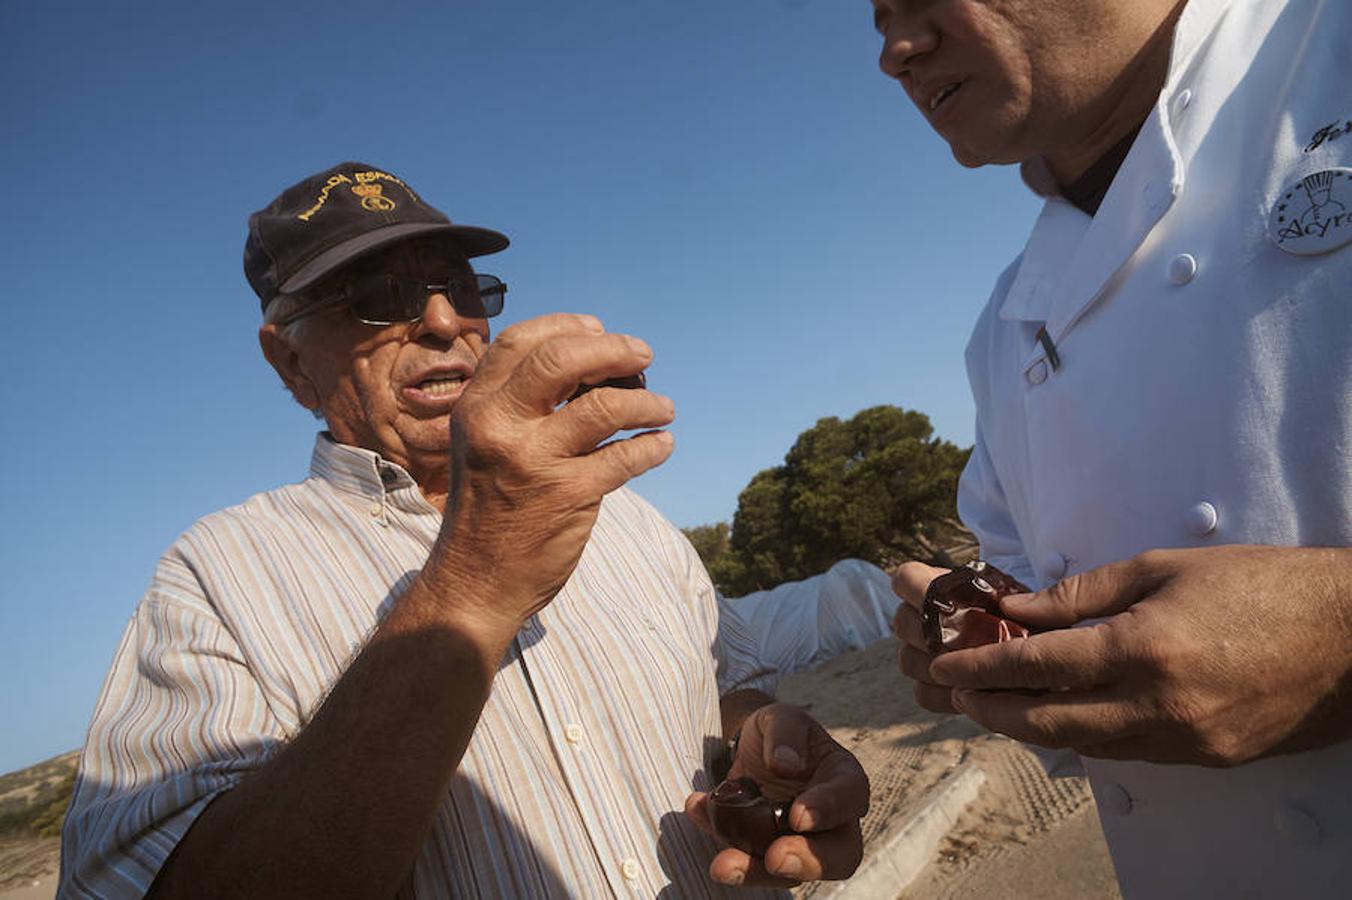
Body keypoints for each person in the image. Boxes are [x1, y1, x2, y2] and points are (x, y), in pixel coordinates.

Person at [59, 161, 868, 898]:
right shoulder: (216, 576)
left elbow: (722, 685)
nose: (446, 321)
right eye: (375, 297)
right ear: (290, 363)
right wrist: (477, 580)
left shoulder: (617, 509)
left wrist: (766, 743)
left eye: (462, 286)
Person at [870, 0, 1352, 897]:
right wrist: (986, 641)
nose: (896, 52)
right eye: (878, 17)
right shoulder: (1006, 325)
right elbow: (1020, 574)